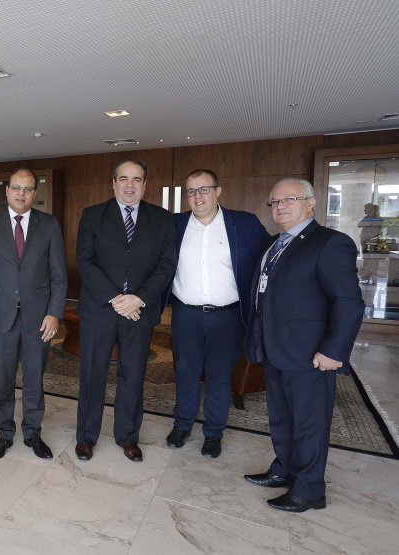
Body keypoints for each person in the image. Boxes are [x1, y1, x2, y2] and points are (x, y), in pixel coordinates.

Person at [243, 178, 364, 512]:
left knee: (310, 424)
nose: (280, 206)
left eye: (290, 199)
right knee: (281, 418)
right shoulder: (273, 243)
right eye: (275, 201)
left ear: (311, 203)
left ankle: (310, 490)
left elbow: (348, 302)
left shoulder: (330, 242)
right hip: (275, 348)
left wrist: (334, 351)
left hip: (312, 354)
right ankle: (284, 470)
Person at [162, 169, 270, 457]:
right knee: (186, 373)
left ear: (218, 191)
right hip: (186, 314)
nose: (198, 196)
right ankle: (182, 425)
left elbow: (269, 259)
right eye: (191, 191)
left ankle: (213, 433)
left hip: (228, 317)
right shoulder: (174, 225)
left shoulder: (244, 223)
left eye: (204, 189)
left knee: (220, 376)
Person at [74, 159, 176, 463]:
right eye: (124, 179)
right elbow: (85, 261)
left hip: (140, 312)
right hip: (100, 310)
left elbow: (166, 265)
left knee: (134, 374)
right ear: (114, 182)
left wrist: (139, 299)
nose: (130, 185)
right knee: (93, 374)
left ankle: (128, 437)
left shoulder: (162, 218)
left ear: (145, 185)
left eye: (137, 179)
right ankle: (86, 436)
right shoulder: (92, 215)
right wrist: (116, 298)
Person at [0, 167, 68, 460]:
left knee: (34, 379)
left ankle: (32, 433)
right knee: (3, 379)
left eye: (27, 189)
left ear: (35, 194)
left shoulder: (49, 224)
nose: (21, 194)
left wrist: (54, 314)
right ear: (7, 190)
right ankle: (4, 433)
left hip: (38, 318)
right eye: (16, 187)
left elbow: (59, 275)